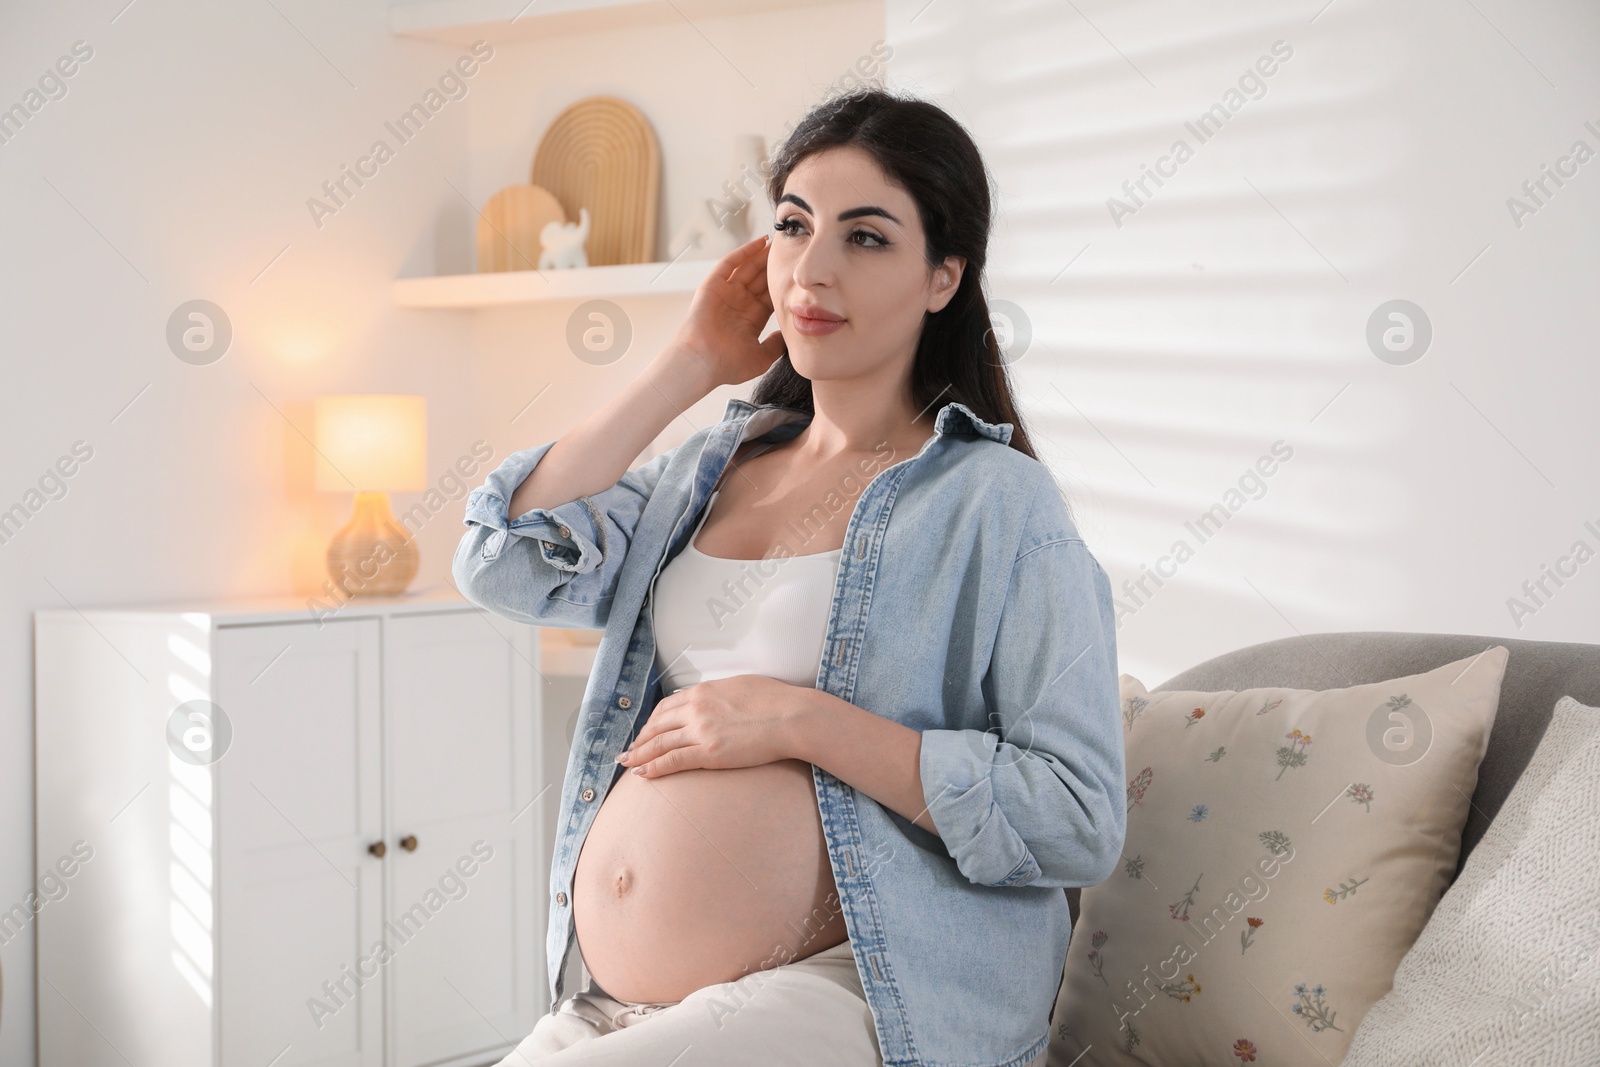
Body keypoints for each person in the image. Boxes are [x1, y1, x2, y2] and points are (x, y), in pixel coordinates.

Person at [455, 87, 1125, 1067]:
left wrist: (798, 718)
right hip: (618, 999)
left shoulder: (992, 503)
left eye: (865, 237)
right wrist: (688, 362)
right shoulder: (703, 473)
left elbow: (1075, 815)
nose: (812, 267)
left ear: (943, 277)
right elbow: (498, 558)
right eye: (792, 225)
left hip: (866, 982)